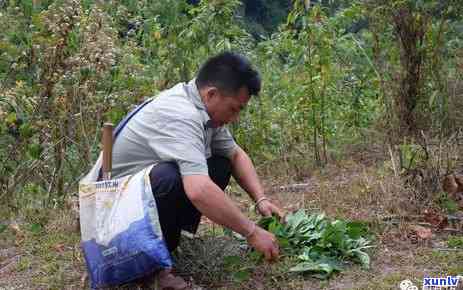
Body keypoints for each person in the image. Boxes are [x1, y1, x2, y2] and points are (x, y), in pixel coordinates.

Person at [110, 51, 284, 289]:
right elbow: (198, 190)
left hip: (134, 204)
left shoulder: (204, 109)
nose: (234, 117)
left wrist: (261, 200)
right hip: (111, 218)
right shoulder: (181, 114)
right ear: (212, 94)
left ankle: (167, 245)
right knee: (170, 179)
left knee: (220, 164)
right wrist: (252, 232)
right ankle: (152, 270)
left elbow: (235, 154)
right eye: (234, 109)